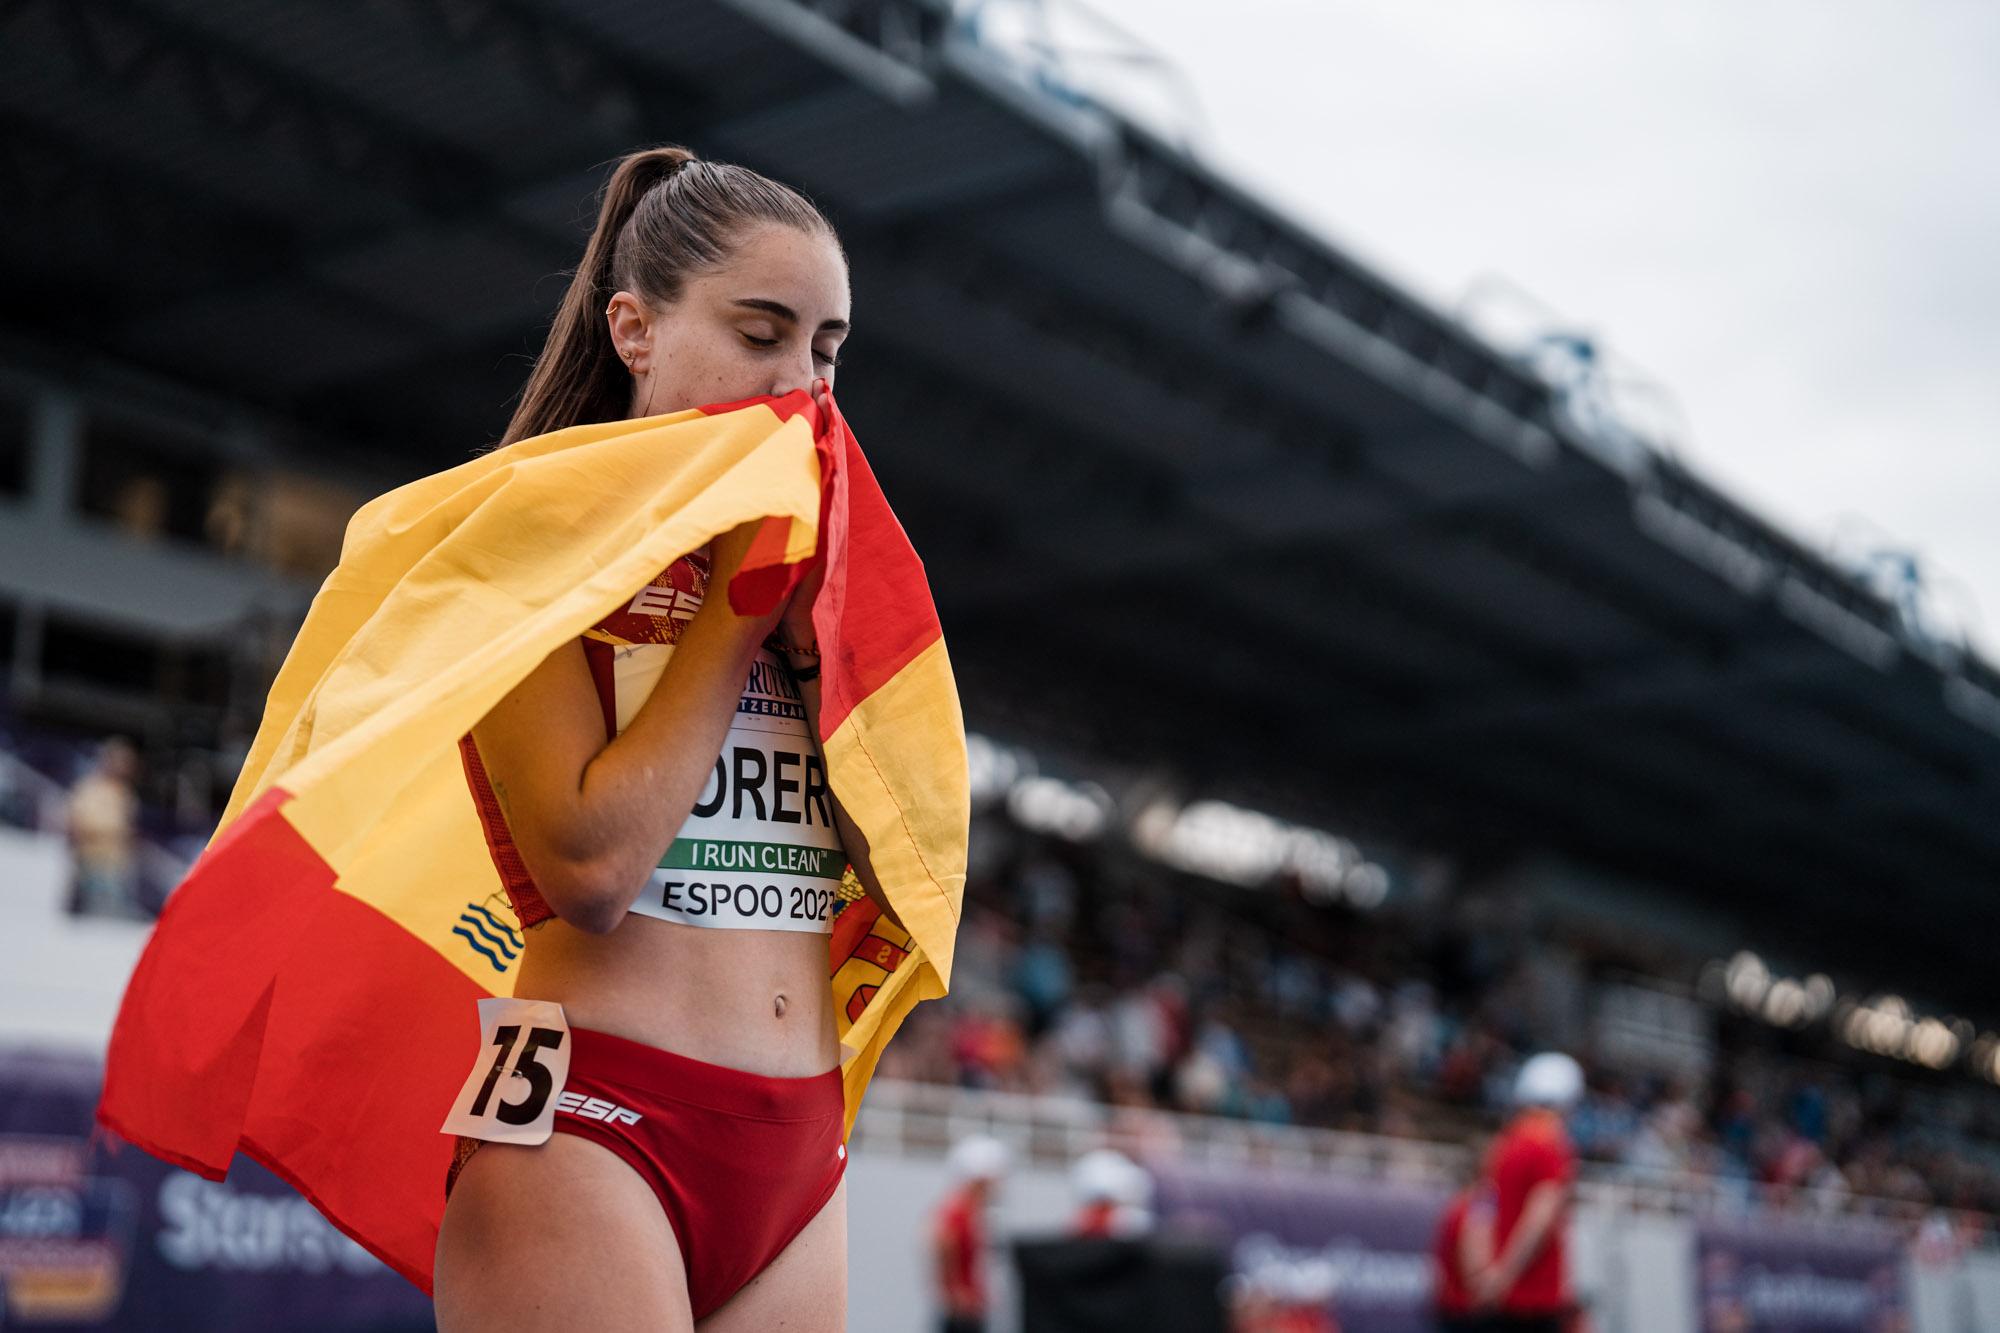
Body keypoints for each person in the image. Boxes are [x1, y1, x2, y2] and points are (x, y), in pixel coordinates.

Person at [432, 145, 891, 1331]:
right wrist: (741, 615)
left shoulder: (832, 577)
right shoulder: (524, 539)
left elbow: (910, 876)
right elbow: (588, 870)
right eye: (759, 333)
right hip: (593, 1117)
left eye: (827, 349)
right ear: (634, 329)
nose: (802, 381)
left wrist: (805, 647)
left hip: (797, 1142)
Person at [1472, 1053, 1584, 1332]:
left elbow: (1481, 1211)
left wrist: (1484, 1272)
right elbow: (1541, 1214)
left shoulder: (1503, 1144)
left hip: (1496, 1298)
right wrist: (1505, 1274)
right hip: (1534, 1299)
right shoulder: (1550, 1143)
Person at [933, 1134, 1007, 1333]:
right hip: (963, 1311)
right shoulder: (960, 1210)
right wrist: (955, 1292)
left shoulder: (973, 1210)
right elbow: (942, 1243)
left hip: (970, 1306)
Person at [66, 738, 142, 919]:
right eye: (120, 761)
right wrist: (111, 833)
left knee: (110, 918)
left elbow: (128, 827)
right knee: (89, 918)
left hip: (116, 863)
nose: (124, 767)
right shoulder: (89, 788)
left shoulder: (125, 793)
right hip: (91, 861)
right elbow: (77, 826)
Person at [1431, 1147, 1494, 1332]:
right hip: (1466, 1311)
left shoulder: (1456, 1206)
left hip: (1451, 1307)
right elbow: (1474, 1267)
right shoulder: (1477, 1210)